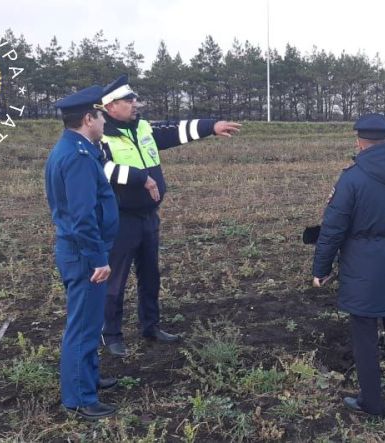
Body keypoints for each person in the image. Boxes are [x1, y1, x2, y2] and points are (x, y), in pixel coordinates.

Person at [98, 75, 242, 357]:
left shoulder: (142, 128)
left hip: (149, 216)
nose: (134, 104)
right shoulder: (101, 135)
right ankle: (111, 333)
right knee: (115, 280)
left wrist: (211, 126)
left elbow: (176, 130)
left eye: (133, 99)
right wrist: (140, 178)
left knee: (150, 274)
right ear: (110, 106)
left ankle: (150, 326)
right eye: (128, 101)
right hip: (120, 218)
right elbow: (101, 168)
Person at [311, 113, 385, 416]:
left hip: (362, 269)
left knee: (364, 335)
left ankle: (372, 402)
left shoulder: (352, 178)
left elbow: (333, 229)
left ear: (359, 142)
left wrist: (321, 270)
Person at [44, 85, 121, 420]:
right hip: (84, 254)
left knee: (89, 321)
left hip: (80, 251)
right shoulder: (76, 157)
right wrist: (98, 259)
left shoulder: (77, 149)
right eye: (101, 115)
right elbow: (82, 216)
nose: (104, 120)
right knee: (84, 326)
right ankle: (78, 398)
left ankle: (87, 378)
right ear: (89, 118)